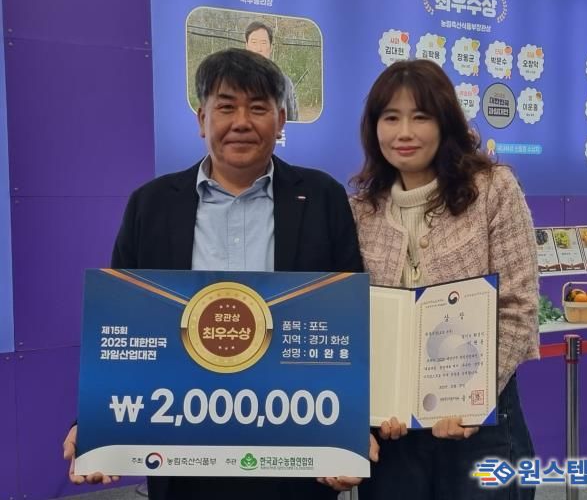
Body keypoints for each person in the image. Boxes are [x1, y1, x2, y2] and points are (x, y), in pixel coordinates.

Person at [63, 48, 366, 499]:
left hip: (296, 450)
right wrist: (95, 422)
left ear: (280, 121)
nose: (241, 122)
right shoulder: (151, 204)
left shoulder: (322, 197)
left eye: (258, 108)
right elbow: (125, 325)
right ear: (201, 119)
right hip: (183, 451)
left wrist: (352, 430)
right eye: (226, 107)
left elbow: (348, 323)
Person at [350, 59, 539, 500]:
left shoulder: (493, 189)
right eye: (390, 118)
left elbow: (518, 306)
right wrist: (370, 408)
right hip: (394, 434)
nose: (404, 132)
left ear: (445, 122)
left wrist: (471, 396)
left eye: (420, 117)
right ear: (374, 128)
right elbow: (355, 320)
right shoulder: (361, 210)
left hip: (479, 423)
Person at [245, 21, 299, 121]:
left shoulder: (285, 83)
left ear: (270, 48)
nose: (258, 48)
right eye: (254, 42)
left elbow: (293, 122)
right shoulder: (231, 81)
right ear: (247, 46)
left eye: (263, 43)